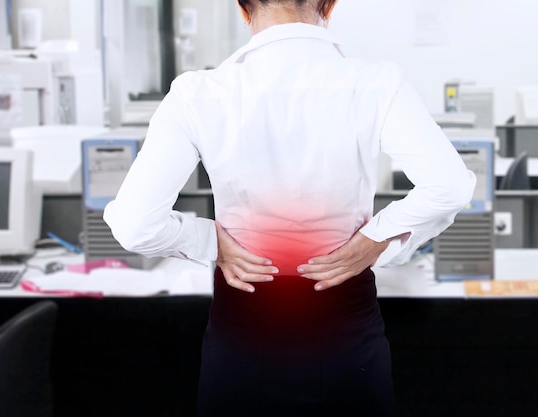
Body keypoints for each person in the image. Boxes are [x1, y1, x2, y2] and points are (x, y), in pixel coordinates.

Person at [103, 0, 476, 415]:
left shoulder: (198, 93)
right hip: (345, 330)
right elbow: (450, 186)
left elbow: (135, 223)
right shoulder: (375, 83)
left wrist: (213, 243)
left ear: (243, 10)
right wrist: (376, 238)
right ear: (329, 5)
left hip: (243, 332)